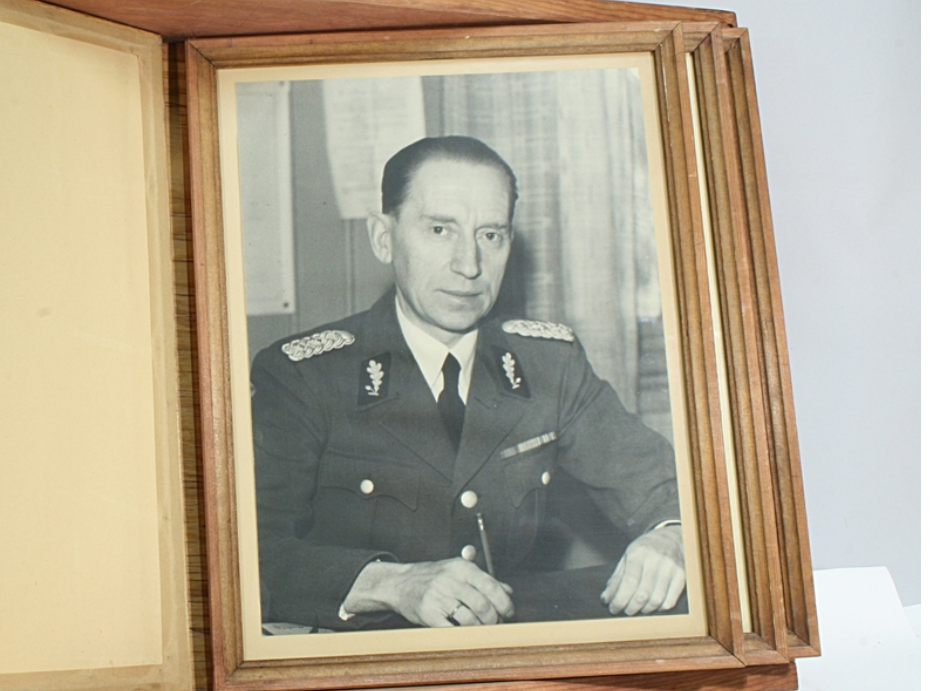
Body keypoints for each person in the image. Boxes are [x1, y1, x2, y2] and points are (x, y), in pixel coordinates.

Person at [251, 135, 687, 631]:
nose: (470, 265)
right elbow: (248, 553)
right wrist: (387, 583)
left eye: (491, 235)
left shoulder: (549, 364)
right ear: (383, 238)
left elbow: (668, 488)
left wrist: (671, 535)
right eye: (440, 230)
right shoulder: (306, 376)